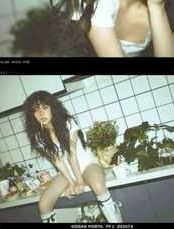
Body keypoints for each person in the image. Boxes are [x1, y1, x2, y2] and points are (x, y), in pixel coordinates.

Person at [23, 90, 122, 223]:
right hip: (65, 171)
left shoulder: (67, 123)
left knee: (98, 185)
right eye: (36, 110)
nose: (41, 113)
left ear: (52, 107)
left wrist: (79, 181)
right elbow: (58, 160)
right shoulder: (38, 136)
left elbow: (71, 155)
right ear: (32, 115)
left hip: (85, 163)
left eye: (45, 108)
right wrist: (71, 182)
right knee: (43, 205)